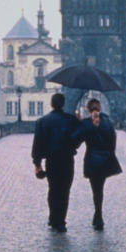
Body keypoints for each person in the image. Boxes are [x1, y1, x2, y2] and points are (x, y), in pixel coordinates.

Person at [31, 93, 79, 233]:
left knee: (53, 189)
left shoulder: (42, 121)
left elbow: (37, 145)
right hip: (67, 160)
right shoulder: (71, 120)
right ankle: (61, 222)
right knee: (64, 190)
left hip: (51, 161)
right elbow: (78, 140)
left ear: (52, 104)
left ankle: (53, 218)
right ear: (63, 104)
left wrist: (37, 163)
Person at [72, 98, 122, 231]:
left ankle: (98, 216)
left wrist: (78, 123)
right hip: (105, 160)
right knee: (100, 188)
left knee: (96, 189)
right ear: (99, 108)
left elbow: (75, 141)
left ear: (89, 109)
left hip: (93, 161)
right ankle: (98, 215)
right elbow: (113, 142)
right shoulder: (108, 123)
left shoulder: (86, 124)